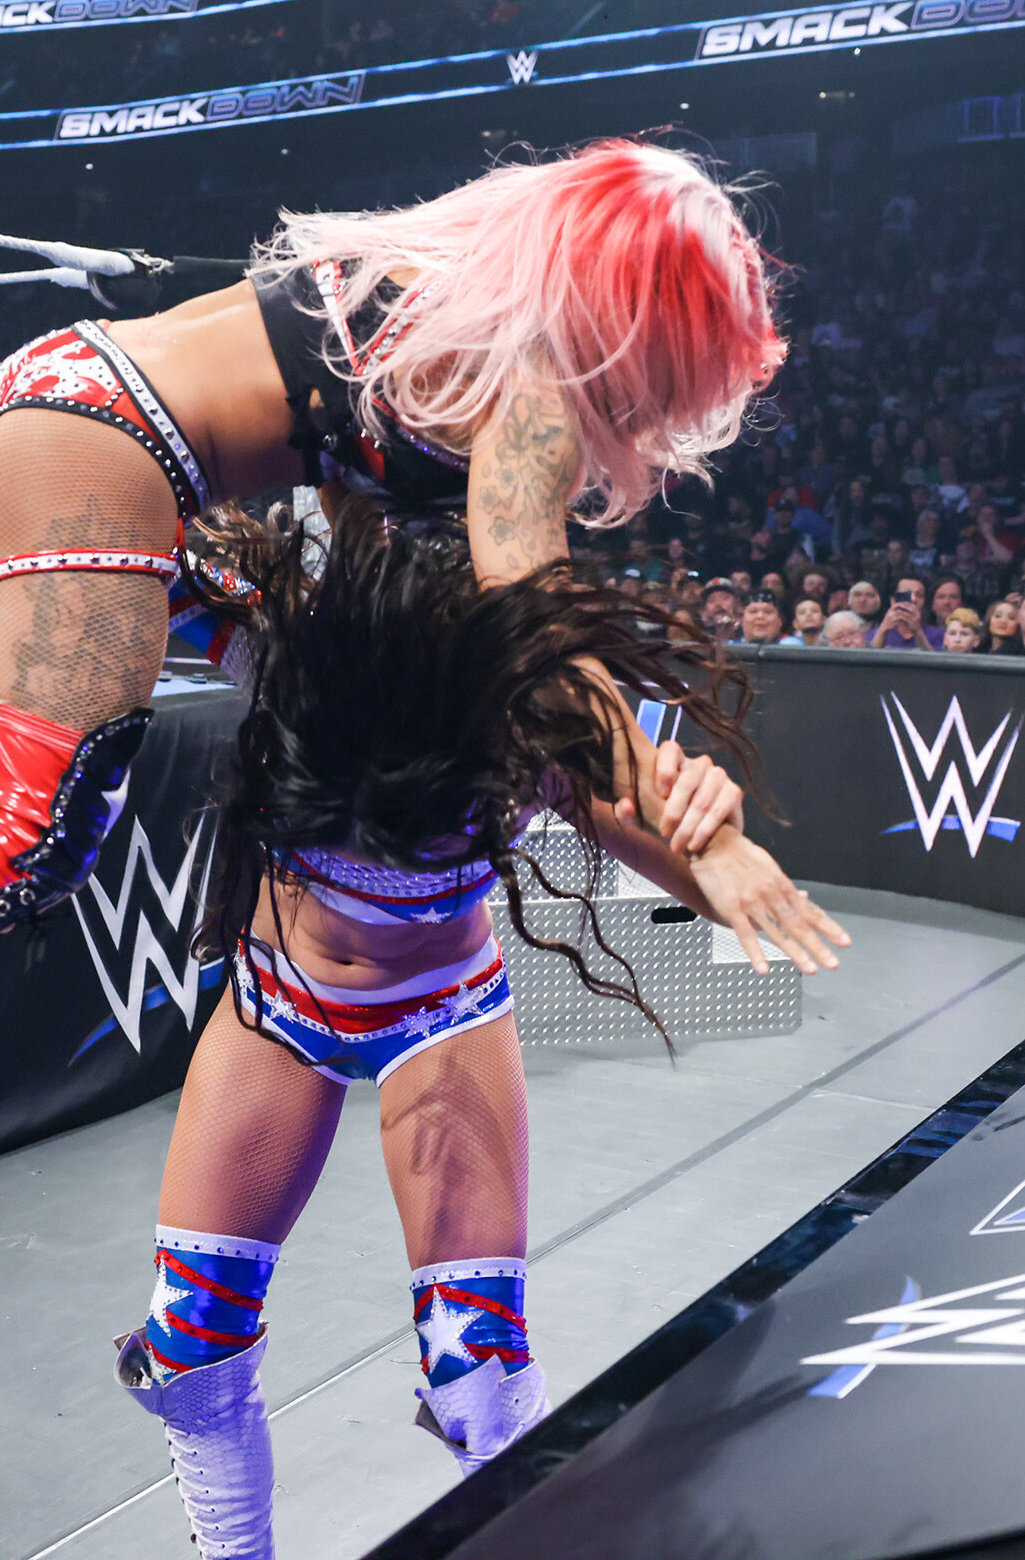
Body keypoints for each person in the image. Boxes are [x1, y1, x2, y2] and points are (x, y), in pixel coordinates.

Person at [0, 139, 809, 1328]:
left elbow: (352, 521)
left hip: (61, 390)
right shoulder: (530, 387)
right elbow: (528, 606)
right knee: (38, 827)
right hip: (115, 450)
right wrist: (681, 806)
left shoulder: (443, 298)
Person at [113, 512, 847, 1556]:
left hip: (439, 1012)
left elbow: (642, 817)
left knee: (481, 1380)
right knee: (189, 1349)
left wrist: (714, 846)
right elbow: (114, 537)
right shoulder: (291, 656)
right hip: (279, 1003)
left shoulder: (529, 729)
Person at [870, 576, 943, 650]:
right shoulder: (872, 634)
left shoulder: (938, 635)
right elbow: (869, 656)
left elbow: (933, 657)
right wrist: (883, 630)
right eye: (907, 595)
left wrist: (918, 632)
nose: (913, 599)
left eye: (919, 595)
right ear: (893, 600)